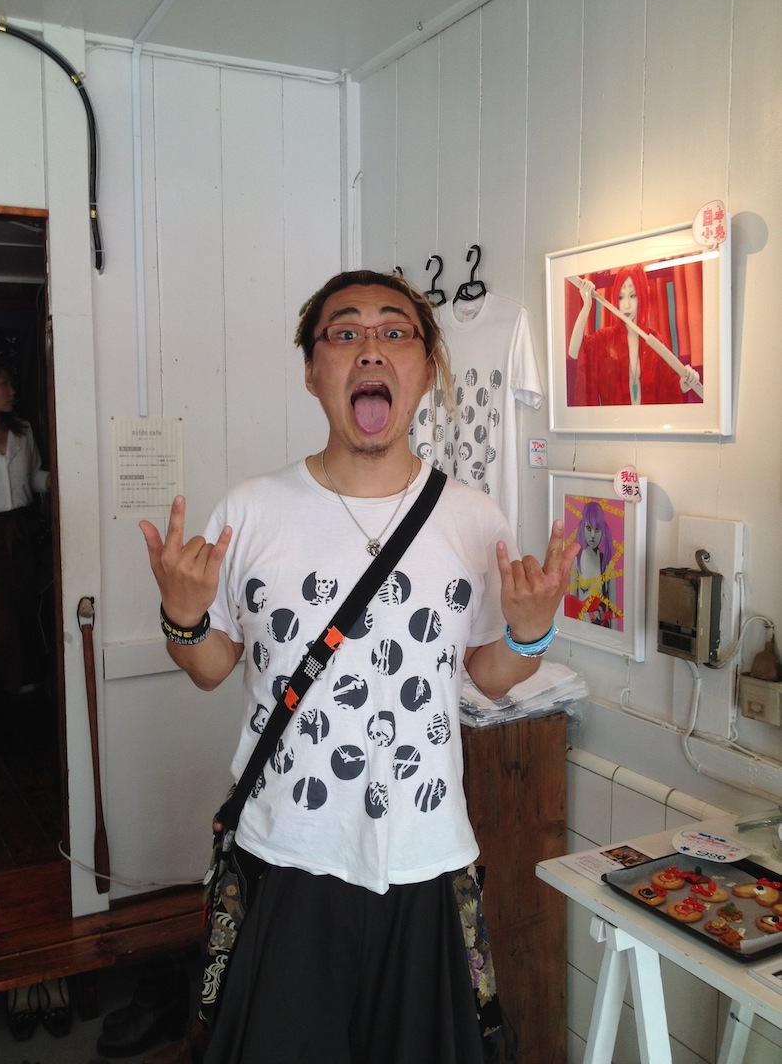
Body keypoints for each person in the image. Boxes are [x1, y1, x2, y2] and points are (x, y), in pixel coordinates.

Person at [140, 270, 578, 1064]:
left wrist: (529, 635)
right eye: (345, 333)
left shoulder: (474, 518)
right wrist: (183, 614)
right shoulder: (251, 512)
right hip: (287, 852)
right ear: (313, 371)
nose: (371, 348)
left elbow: (488, 676)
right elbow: (209, 667)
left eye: (395, 332)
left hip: (427, 854)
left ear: (427, 368)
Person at [0, 355, 50, 700]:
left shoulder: (23, 431)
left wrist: (56, 481)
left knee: (23, 609)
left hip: (19, 533)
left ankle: (21, 685)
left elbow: (32, 478)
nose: (11, 390)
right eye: (2, 382)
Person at [568, 264, 700, 406]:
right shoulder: (605, 339)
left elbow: (668, 387)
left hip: (649, 419)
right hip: (615, 419)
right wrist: (586, 306)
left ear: (641, 296)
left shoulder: (655, 341)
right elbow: (575, 352)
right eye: (621, 297)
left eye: (632, 296)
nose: (626, 305)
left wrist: (683, 385)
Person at [565, 499, 615, 627]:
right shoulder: (576, 561)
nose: (592, 535)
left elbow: (613, 611)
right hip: (581, 629)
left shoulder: (608, 565)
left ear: (603, 531)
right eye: (588, 528)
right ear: (582, 528)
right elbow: (572, 605)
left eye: (597, 529)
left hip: (602, 629)